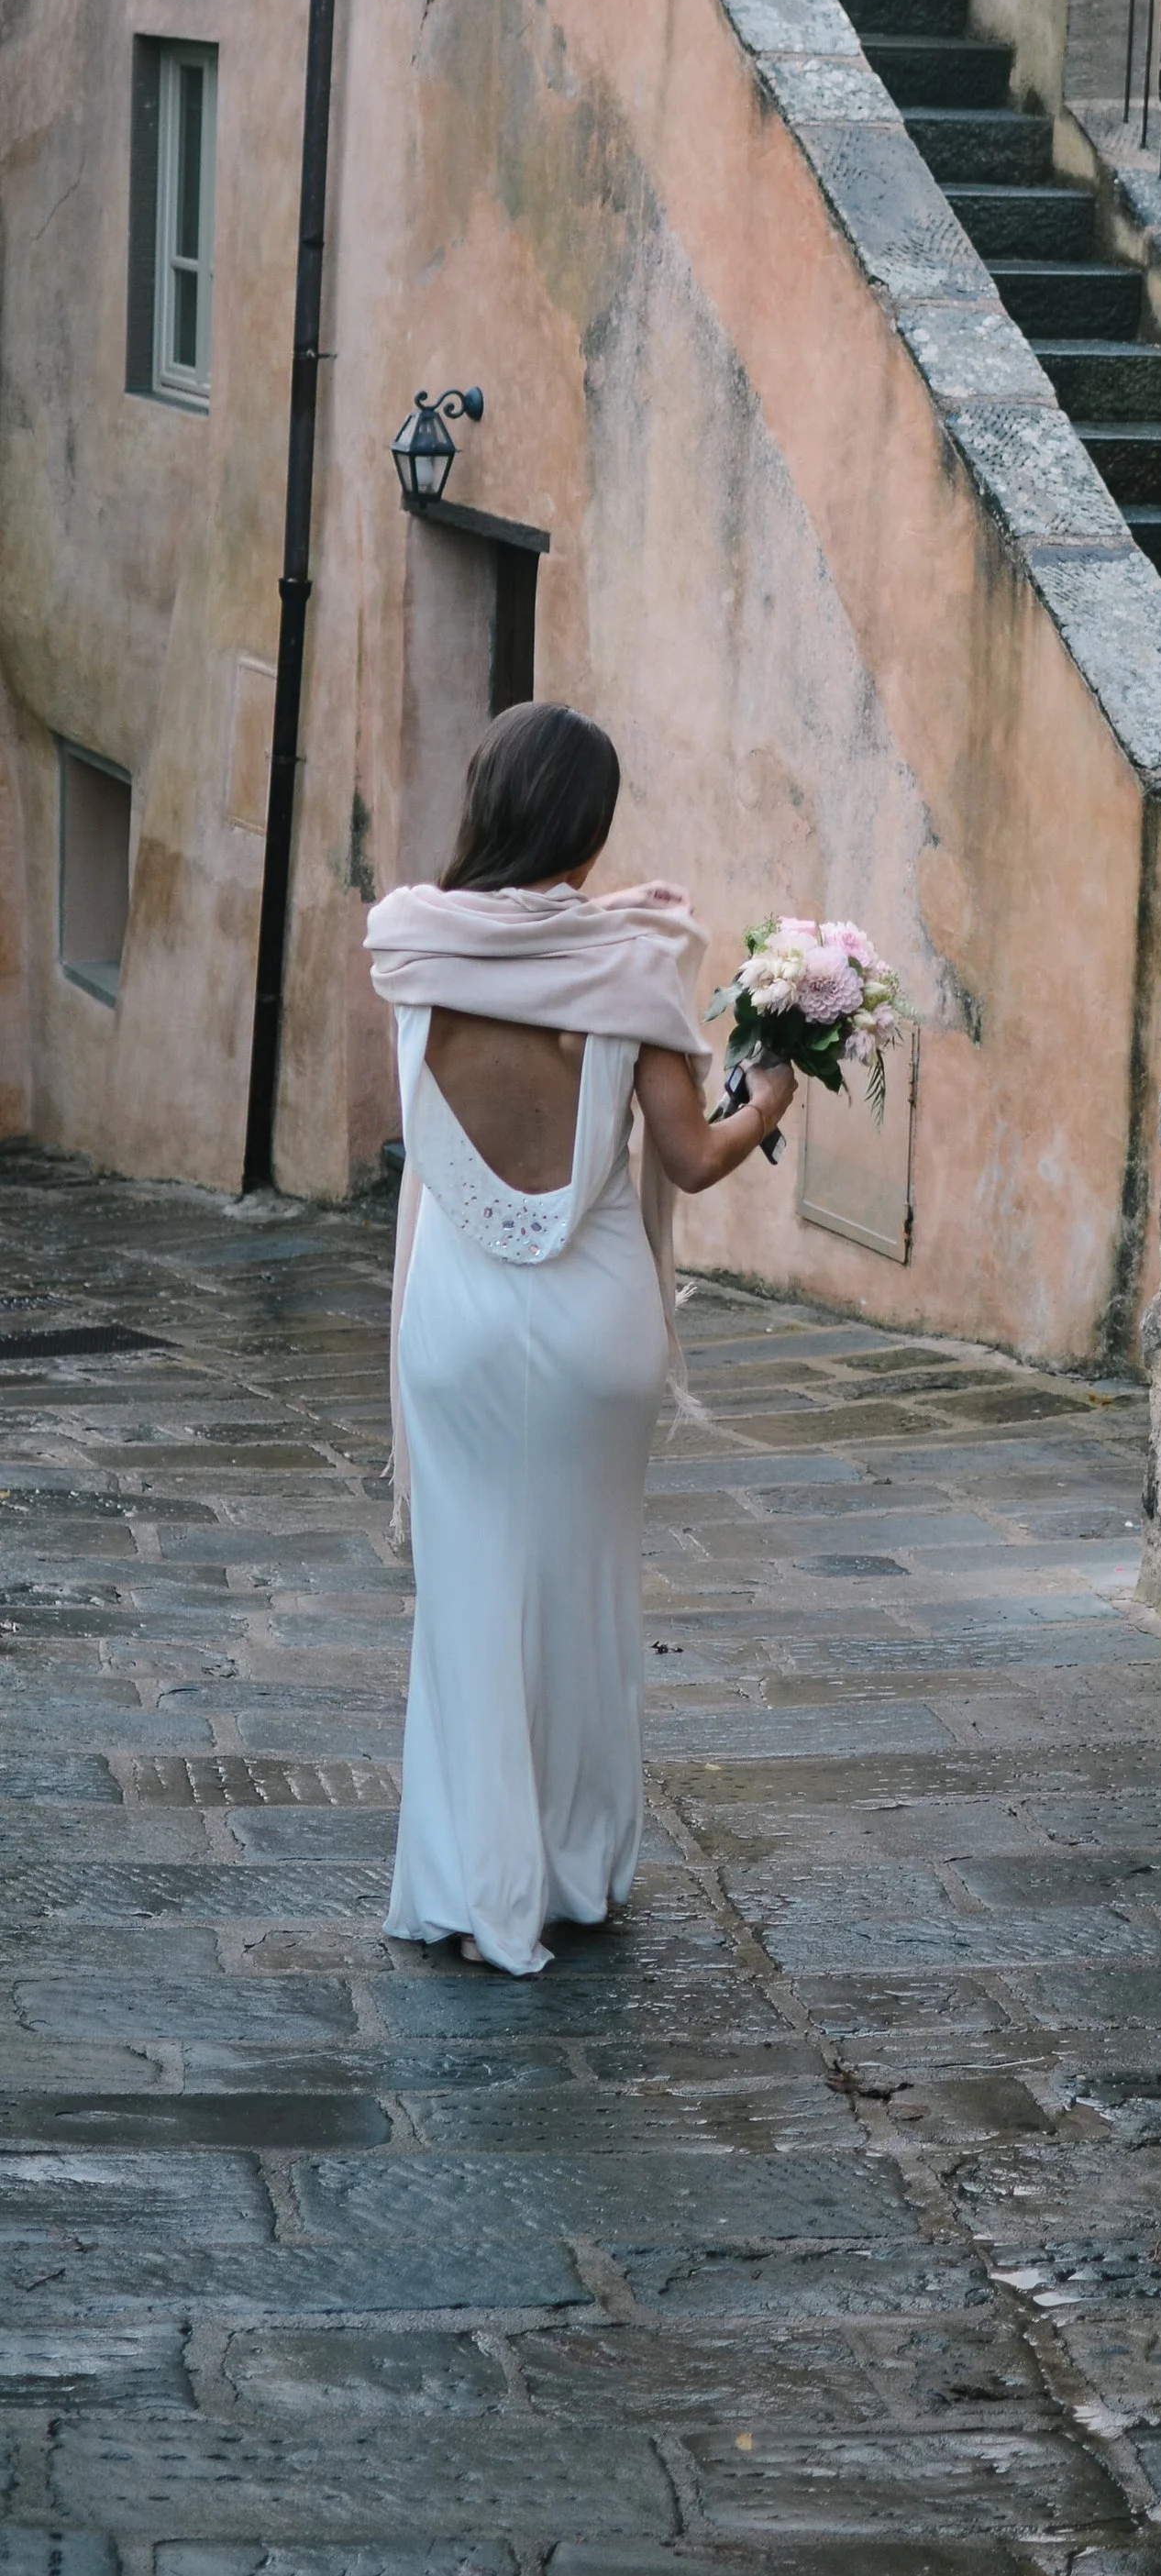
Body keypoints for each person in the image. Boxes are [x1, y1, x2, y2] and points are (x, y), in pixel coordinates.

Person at [365, 703, 794, 1976]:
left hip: (455, 1323)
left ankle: (464, 1879)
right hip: (597, 1321)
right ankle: (573, 1871)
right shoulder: (631, 966)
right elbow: (689, 1160)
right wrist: (766, 1096)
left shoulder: (410, 944)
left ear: (488, 803)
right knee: (586, 1593)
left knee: (467, 1596)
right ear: (589, 824)